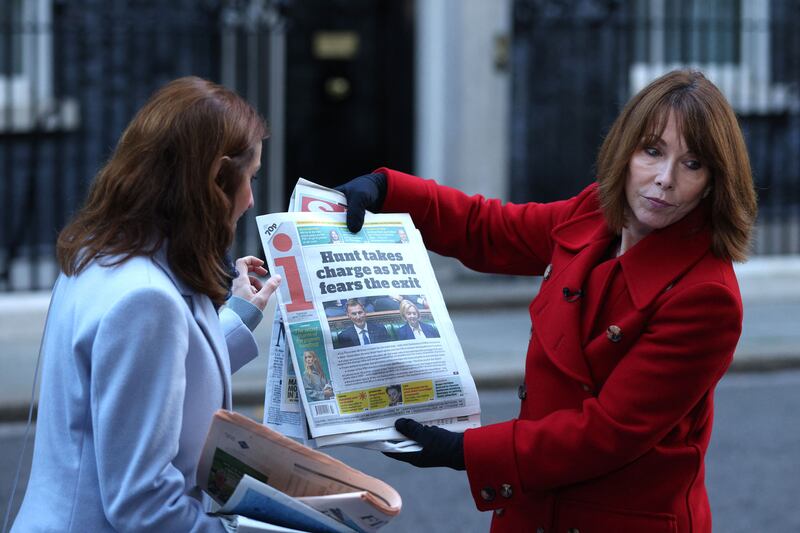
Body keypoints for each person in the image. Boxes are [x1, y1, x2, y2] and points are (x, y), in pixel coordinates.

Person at [336, 70, 757, 532]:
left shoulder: (707, 297)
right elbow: (488, 228)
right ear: (626, 150)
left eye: (692, 164)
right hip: (536, 510)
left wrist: (465, 452)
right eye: (652, 151)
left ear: (715, 181)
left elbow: (609, 432)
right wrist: (388, 191)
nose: (664, 179)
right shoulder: (594, 212)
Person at [12, 77, 282, 532]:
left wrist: (237, 316)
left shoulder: (100, 251)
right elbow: (144, 505)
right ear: (216, 179)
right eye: (249, 178)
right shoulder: (145, 300)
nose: (251, 199)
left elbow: (156, 382)